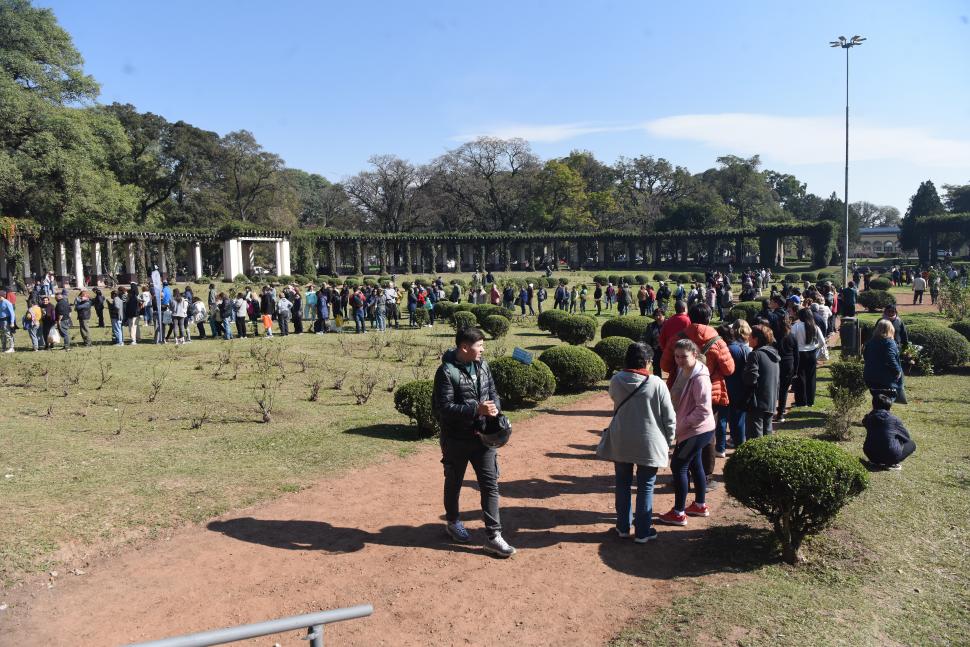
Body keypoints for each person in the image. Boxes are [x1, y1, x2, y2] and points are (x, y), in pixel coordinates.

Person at [432, 326, 515, 558]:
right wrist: (475, 409)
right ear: (464, 347)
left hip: (483, 438)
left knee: (490, 484)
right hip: (456, 439)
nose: (482, 349)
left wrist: (495, 408)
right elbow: (444, 409)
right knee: (454, 482)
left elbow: (493, 391)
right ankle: (453, 521)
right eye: (479, 345)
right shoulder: (446, 372)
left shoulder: (483, 365)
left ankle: (493, 536)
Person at [596, 342, 676, 543]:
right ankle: (642, 531)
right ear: (648, 361)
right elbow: (669, 418)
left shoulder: (616, 380)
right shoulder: (657, 383)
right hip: (649, 442)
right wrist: (668, 440)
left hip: (621, 439)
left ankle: (623, 527)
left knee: (622, 484)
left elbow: (615, 399)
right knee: (646, 486)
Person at [658, 339, 716, 526]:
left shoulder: (700, 378)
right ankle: (699, 505)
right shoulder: (686, 370)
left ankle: (678, 513)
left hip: (696, 430)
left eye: (684, 356)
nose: (680, 360)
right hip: (694, 429)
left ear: (695, 355)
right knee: (695, 465)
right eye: (677, 356)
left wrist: (680, 425)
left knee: (679, 466)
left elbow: (703, 410)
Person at [717, 321, 750, 453]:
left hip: (727, 387)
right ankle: (740, 445)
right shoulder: (743, 348)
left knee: (722, 418)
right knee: (739, 419)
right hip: (740, 387)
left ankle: (720, 447)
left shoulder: (727, 350)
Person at [743, 324, 781, 439]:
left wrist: (743, 374)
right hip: (770, 401)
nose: (748, 338)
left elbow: (751, 379)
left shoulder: (754, 355)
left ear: (756, 339)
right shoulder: (774, 353)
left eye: (750, 336)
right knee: (767, 435)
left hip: (757, 403)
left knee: (755, 438)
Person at [862, 394, 916, 470]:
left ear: (873, 405)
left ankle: (876, 462)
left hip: (871, 455)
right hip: (891, 456)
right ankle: (891, 464)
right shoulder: (894, 419)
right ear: (889, 407)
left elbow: (865, 423)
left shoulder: (868, 418)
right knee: (911, 444)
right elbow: (906, 437)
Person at [791, 307, 829, 407]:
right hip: (811, 353)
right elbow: (822, 342)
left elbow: (791, 340)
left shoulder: (796, 326)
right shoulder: (814, 326)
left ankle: (801, 401)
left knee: (800, 378)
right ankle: (810, 401)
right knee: (811, 378)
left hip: (799, 354)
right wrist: (814, 348)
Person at [863, 319, 905, 403]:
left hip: (870, 376)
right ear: (890, 329)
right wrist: (897, 371)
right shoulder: (889, 342)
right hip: (885, 379)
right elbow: (890, 357)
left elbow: (865, 355)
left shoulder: (871, 342)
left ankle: (877, 414)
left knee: (877, 400)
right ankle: (882, 415)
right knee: (886, 401)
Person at [773, 315, 798, 423]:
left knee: (774, 389)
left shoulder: (774, 337)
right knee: (783, 390)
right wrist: (795, 370)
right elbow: (797, 355)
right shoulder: (792, 336)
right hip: (789, 364)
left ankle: (770, 411)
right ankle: (780, 413)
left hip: (776, 363)